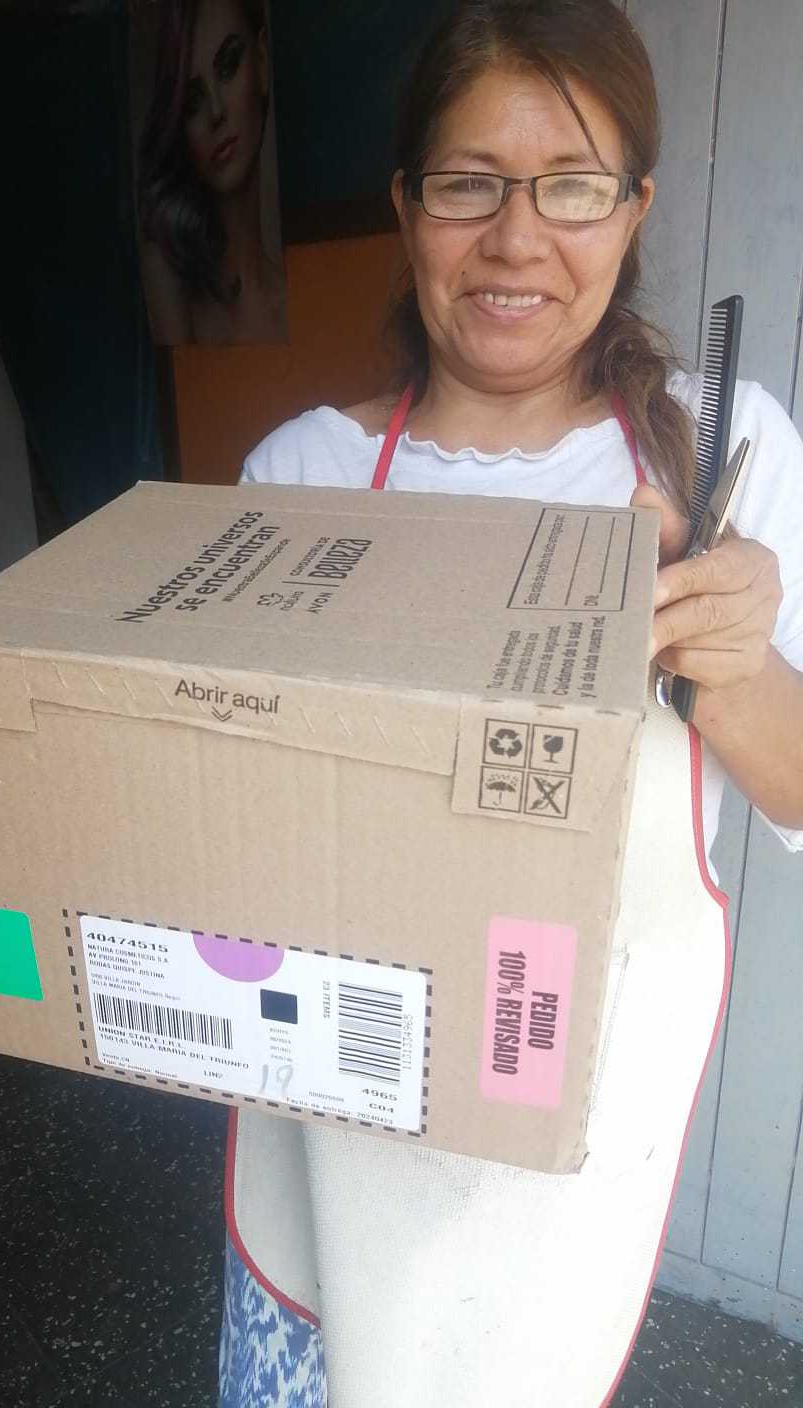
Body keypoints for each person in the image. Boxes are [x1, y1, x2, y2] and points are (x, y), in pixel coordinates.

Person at [220, 3, 803, 1405]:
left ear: (634, 208)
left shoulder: (722, 457)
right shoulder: (299, 475)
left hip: (558, 1140)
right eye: (469, 184)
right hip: (329, 1100)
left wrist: (733, 666)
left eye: (574, 187)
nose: (517, 239)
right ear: (407, 207)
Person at [136, 0, 286, 345]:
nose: (215, 111)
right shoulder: (165, 276)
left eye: (228, 66)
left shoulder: (288, 297)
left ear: (262, 62)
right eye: (192, 100)